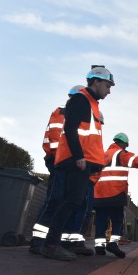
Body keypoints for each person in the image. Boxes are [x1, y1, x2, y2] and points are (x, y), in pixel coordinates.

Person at [40, 65, 114, 261]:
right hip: (76, 161)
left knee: (72, 201)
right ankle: (51, 244)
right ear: (96, 81)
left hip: (81, 161)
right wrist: (80, 157)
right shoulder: (81, 100)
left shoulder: (90, 103)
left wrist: (94, 162)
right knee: (71, 200)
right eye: (107, 85)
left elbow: (89, 137)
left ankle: (53, 243)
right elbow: (71, 129)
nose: (109, 90)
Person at [29, 85, 94, 256]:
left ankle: (52, 241)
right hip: (60, 161)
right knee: (55, 199)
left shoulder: (70, 113)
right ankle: (38, 241)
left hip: (65, 161)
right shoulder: (62, 113)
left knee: (64, 200)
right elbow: (57, 141)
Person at [92, 132, 138, 258]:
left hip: (98, 193)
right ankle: (113, 243)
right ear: (123, 143)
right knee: (117, 219)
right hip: (115, 191)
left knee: (101, 219)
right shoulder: (120, 154)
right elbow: (136, 161)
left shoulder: (103, 155)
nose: (126, 147)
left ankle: (99, 246)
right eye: (125, 145)